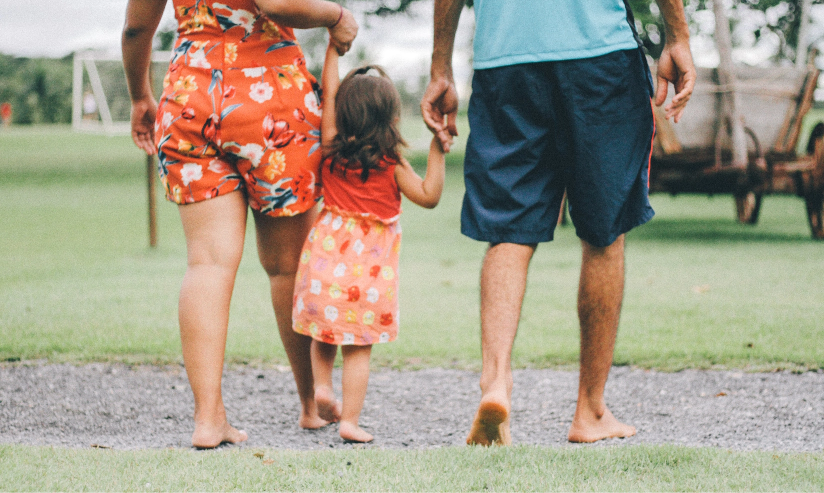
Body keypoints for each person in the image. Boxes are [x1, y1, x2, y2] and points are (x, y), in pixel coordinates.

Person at [421, 0, 696, 445]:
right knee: (604, 234)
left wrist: (441, 67)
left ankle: (495, 384)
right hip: (598, 55)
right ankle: (590, 411)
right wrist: (677, 36)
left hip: (504, 59)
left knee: (508, 230)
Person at [122, 0, 358, 449]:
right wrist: (335, 15)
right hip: (270, 96)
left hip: (190, 96)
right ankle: (311, 403)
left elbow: (136, 30)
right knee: (288, 265)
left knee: (206, 264)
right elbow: (274, 3)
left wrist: (140, 96)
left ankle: (209, 418)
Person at [292, 42, 446, 443]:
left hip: (325, 262)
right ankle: (350, 422)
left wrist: (331, 49)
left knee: (323, 332)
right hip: (369, 274)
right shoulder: (391, 163)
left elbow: (328, 89)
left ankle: (321, 388)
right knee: (357, 347)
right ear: (390, 117)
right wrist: (437, 146)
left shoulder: (330, 148)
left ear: (342, 112)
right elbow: (429, 196)